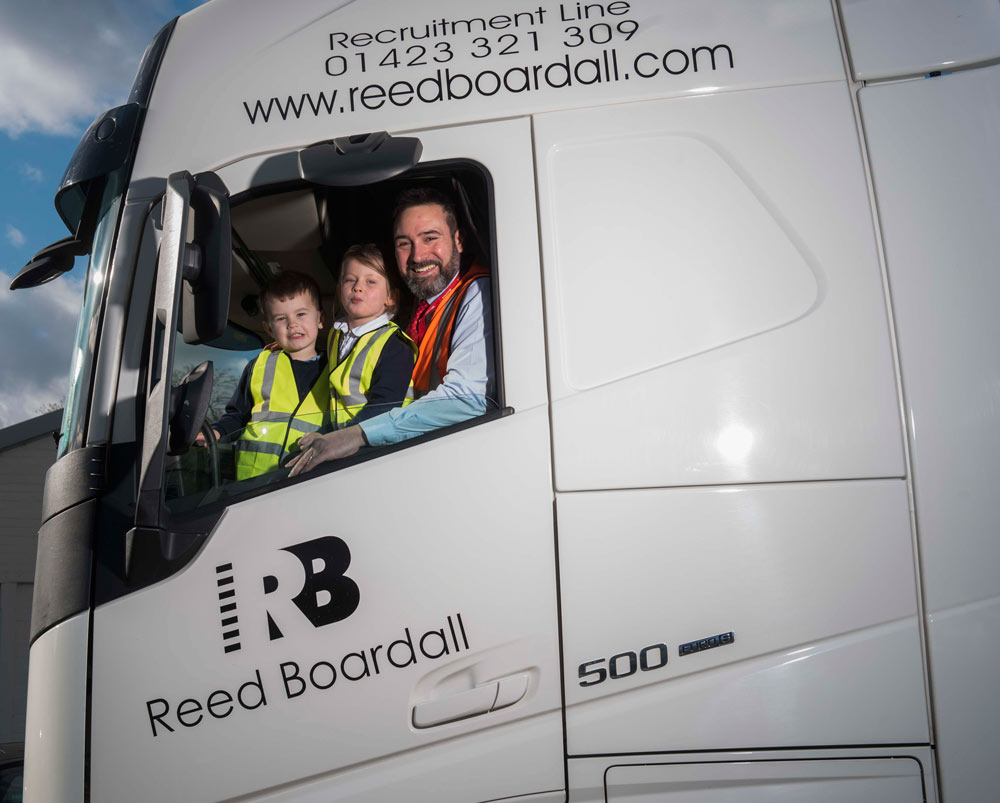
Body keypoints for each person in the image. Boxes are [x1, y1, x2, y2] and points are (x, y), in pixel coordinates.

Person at [289, 187, 493, 476]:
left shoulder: (477, 293)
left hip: (458, 463)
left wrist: (358, 434)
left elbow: (466, 397)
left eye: (430, 238)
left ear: (458, 240)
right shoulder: (419, 309)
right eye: (404, 243)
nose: (418, 255)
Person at [207, 270, 330, 480]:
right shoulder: (259, 366)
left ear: (320, 319)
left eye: (301, 314)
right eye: (281, 318)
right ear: (269, 329)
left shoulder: (337, 369)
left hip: (310, 481)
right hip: (253, 483)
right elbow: (237, 415)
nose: (292, 324)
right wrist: (215, 433)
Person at [326, 243, 416, 430]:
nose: (358, 287)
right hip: (344, 439)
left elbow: (384, 408)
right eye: (350, 280)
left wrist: (337, 439)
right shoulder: (336, 335)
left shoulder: (395, 346)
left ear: (390, 298)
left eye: (371, 282)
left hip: (379, 441)